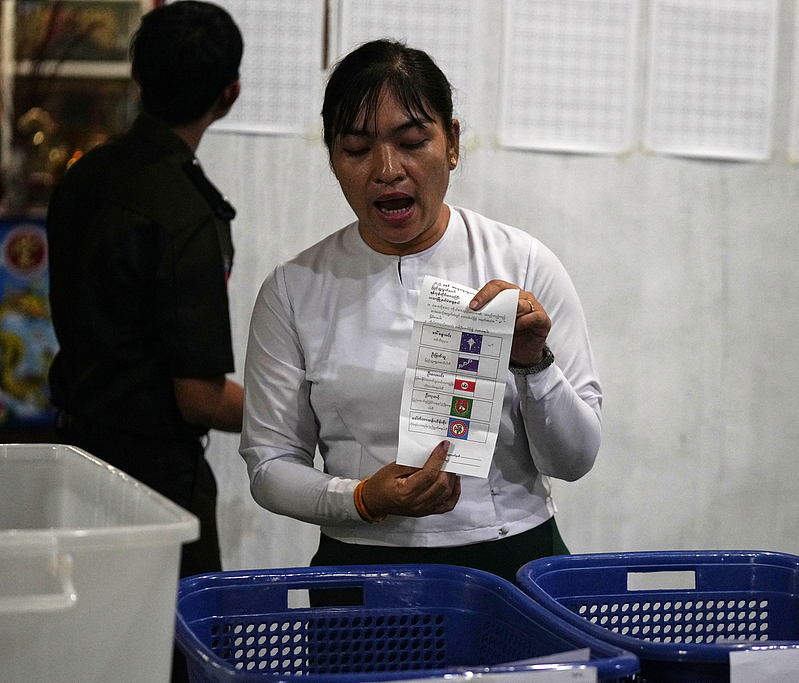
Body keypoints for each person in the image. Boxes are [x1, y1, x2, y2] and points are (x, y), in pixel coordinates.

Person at [240, 39, 602, 584]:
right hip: (361, 569)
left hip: (515, 563)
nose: (387, 170)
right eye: (357, 149)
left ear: (452, 142)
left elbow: (575, 460)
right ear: (333, 159)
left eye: (412, 141)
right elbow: (269, 466)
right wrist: (361, 498)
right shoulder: (294, 289)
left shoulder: (523, 263)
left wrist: (534, 362)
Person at [47, 2, 243, 578]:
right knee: (172, 656)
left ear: (137, 77)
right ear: (229, 94)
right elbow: (199, 397)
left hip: (75, 464)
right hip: (153, 487)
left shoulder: (82, 177)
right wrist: (293, 413)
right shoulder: (187, 215)